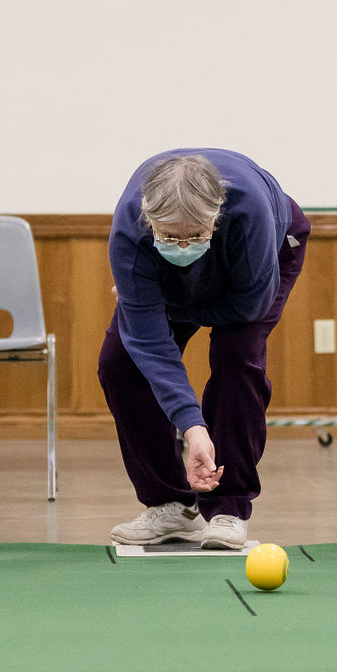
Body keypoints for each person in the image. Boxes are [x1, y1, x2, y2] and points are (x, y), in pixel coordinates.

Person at [100, 149, 309, 549]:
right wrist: (193, 429)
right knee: (121, 365)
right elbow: (148, 341)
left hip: (267, 255)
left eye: (195, 235)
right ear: (148, 220)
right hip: (169, 261)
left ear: (216, 217)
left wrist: (161, 305)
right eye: (169, 236)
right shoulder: (131, 228)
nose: (182, 246)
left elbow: (247, 306)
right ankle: (171, 506)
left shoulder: (249, 214)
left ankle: (228, 508)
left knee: (236, 360)